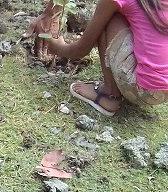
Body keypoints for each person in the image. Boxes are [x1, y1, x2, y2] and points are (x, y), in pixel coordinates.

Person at [39, 0, 168, 116]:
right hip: (163, 92)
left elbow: (81, 50)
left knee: (108, 17)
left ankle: (109, 95)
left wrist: (57, 47)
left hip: (143, 90)